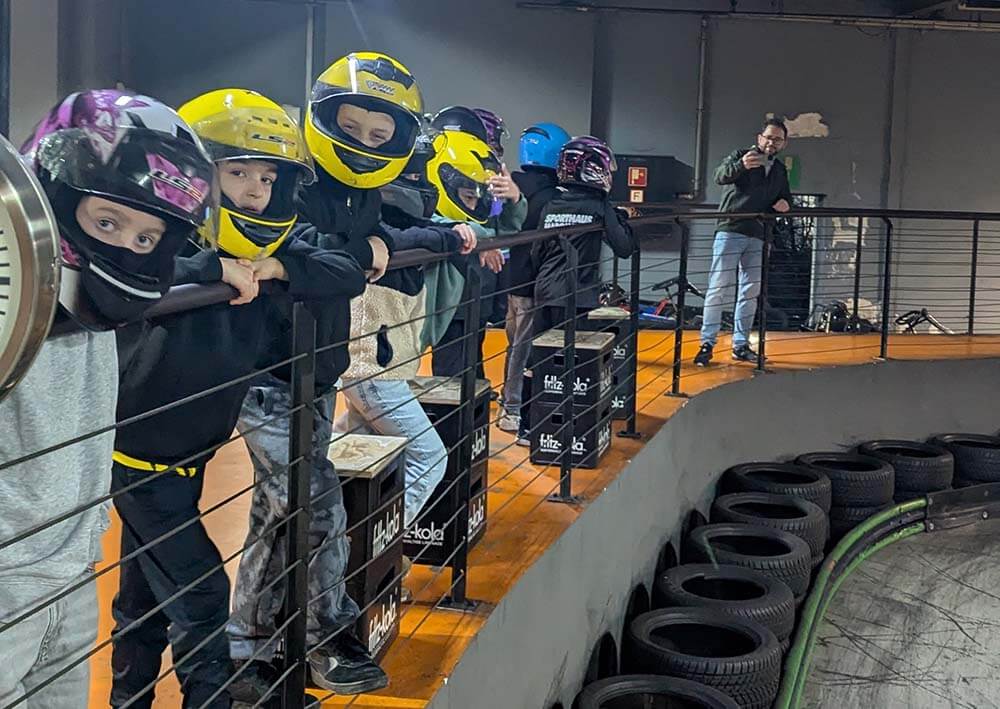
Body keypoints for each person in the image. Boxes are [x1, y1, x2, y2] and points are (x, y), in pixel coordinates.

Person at [110, 88, 364, 708]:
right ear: (197, 174)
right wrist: (210, 272)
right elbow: (122, 275)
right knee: (199, 598)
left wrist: (274, 269)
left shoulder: (263, 251)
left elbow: (346, 270)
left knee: (141, 603)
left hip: (188, 455)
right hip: (141, 461)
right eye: (238, 173)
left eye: (267, 177)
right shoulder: (169, 244)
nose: (254, 191)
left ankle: (127, 700)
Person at [0, 89, 216, 709]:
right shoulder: (14, 302)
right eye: (106, 223)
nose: (125, 246)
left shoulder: (94, 315)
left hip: (73, 569)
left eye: (147, 238)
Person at [229, 52, 420, 699]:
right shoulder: (292, 179)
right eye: (352, 127)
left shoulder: (360, 196)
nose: (364, 143)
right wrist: (359, 254)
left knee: (275, 510)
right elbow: (314, 255)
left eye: (379, 134)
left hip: (317, 368)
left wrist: (381, 246)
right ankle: (327, 636)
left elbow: (372, 254)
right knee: (315, 501)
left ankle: (250, 646)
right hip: (265, 372)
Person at [521, 136, 636, 446]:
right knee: (574, 362)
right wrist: (620, 218)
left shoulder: (551, 204)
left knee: (537, 359)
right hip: (578, 295)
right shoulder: (599, 206)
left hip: (545, 290)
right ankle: (569, 427)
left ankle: (527, 426)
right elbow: (624, 247)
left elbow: (537, 252)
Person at [424, 118, 526, 378]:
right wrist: (481, 240)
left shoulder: (479, 196)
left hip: (476, 297)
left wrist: (514, 198)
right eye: (468, 197)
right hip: (451, 305)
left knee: (472, 368)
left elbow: (504, 232)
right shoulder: (426, 200)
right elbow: (433, 224)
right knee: (451, 375)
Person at [694, 117, 792, 366]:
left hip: (760, 235)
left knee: (750, 292)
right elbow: (719, 176)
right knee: (718, 287)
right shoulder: (741, 155)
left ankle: (740, 345)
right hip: (731, 230)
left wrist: (786, 205)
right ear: (759, 138)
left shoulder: (779, 170)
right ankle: (707, 344)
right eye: (768, 137)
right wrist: (740, 166)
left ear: (784, 144)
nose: (771, 143)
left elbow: (786, 198)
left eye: (777, 139)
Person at [498, 122, 571, 439]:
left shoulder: (511, 184)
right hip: (534, 282)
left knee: (514, 345)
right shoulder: (553, 196)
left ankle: (507, 403)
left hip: (512, 280)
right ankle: (513, 410)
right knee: (524, 350)